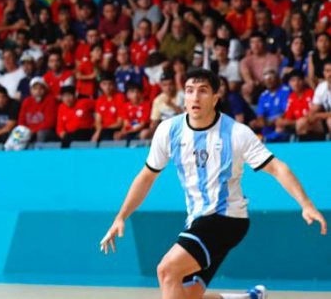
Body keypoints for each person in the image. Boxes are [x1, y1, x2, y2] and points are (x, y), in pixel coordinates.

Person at [100, 68, 326, 299]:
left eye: (203, 91)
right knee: (187, 296)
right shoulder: (169, 130)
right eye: (189, 91)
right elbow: (147, 175)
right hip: (196, 220)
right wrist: (121, 216)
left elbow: (277, 168)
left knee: (167, 270)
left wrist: (306, 204)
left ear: (215, 98)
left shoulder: (237, 133)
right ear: (184, 97)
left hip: (227, 219)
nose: (195, 97)